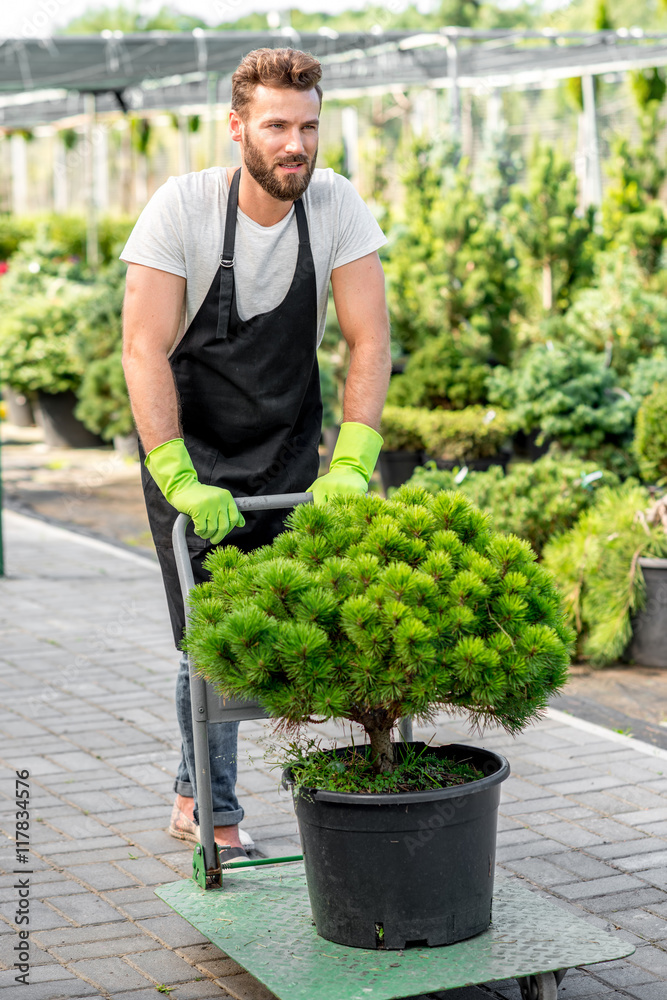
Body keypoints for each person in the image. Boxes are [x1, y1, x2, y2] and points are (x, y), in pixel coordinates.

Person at [120, 47, 391, 864]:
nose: (295, 144)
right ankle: (216, 808)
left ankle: (193, 790)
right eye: (276, 125)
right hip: (192, 455)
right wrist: (175, 476)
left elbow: (367, 337)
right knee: (211, 635)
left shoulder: (336, 205)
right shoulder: (183, 210)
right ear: (238, 127)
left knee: (290, 621)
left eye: (308, 126)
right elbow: (142, 347)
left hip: (285, 451)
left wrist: (350, 461)